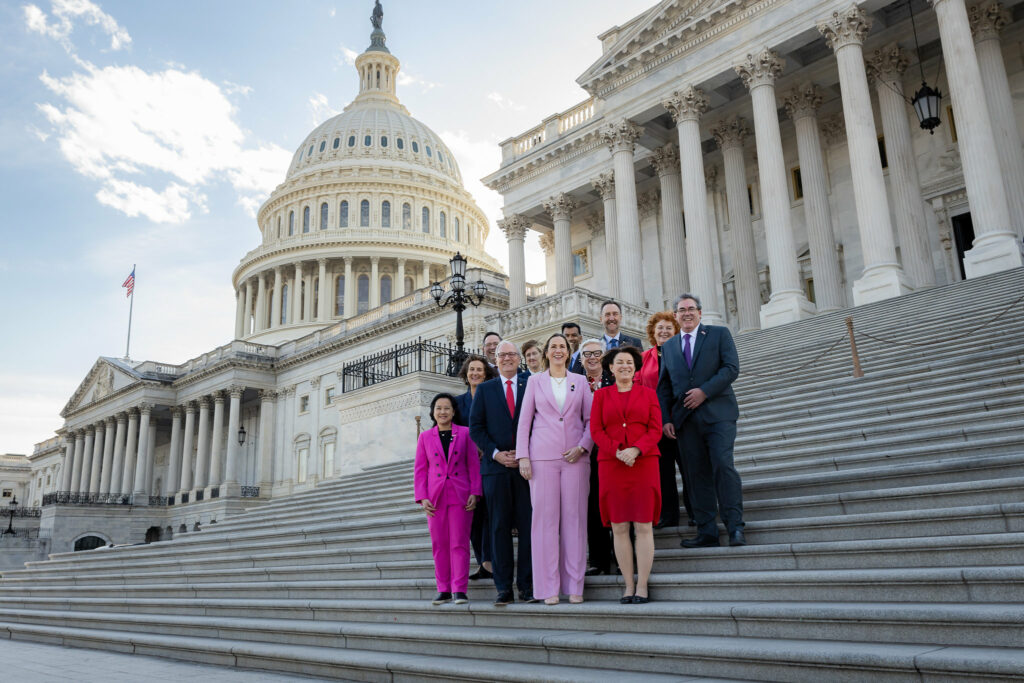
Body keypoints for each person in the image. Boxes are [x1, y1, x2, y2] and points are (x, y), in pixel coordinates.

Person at [657, 293, 745, 548]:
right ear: (675, 316)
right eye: (681, 310)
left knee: (722, 466)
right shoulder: (670, 346)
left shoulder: (719, 334)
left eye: (691, 308)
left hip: (719, 415)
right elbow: (664, 387)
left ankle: (735, 526)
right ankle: (707, 532)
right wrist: (666, 419)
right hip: (685, 421)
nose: (686, 313)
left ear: (699, 312)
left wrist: (704, 391)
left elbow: (731, 368)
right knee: (696, 476)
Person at [516, 333, 594, 605]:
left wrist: (583, 447)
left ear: (569, 352)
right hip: (542, 459)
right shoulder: (535, 382)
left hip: (576, 459)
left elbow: (590, 420)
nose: (558, 350)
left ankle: (575, 586)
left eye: (563, 346)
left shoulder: (580, 381)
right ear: (546, 352)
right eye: (554, 347)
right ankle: (547, 589)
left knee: (574, 522)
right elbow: (524, 421)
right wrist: (523, 456)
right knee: (544, 524)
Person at [590, 346, 662, 603]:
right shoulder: (600, 395)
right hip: (612, 463)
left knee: (643, 525)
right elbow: (596, 431)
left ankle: (642, 585)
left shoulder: (649, 394)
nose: (625, 366)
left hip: (643, 463)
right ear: (610, 367)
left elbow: (655, 430)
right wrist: (617, 451)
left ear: (635, 367)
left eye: (629, 362)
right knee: (619, 526)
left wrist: (636, 449)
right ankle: (628, 585)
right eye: (619, 362)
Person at [469, 340, 535, 605]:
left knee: (529, 529)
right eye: (502, 355)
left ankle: (527, 587)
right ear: (495, 360)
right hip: (495, 470)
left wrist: (524, 453)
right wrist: (496, 453)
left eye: (511, 354)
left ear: (518, 359)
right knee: (498, 529)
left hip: (527, 468)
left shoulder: (532, 384)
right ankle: (503, 588)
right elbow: (476, 428)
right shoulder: (485, 390)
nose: (507, 358)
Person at [414, 393, 481, 605]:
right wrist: (422, 497)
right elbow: (420, 470)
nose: (442, 412)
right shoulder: (425, 437)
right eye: (438, 408)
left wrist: (475, 492)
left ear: (453, 412)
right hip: (435, 497)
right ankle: (443, 588)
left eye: (447, 408)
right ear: (433, 412)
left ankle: (459, 590)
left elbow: (473, 465)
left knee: (459, 544)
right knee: (439, 544)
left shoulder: (465, 433)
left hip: (461, 495)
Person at [637, 312, 694, 529]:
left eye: (669, 328)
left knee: (689, 468)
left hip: (683, 419)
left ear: (676, 331)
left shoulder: (685, 353)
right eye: (659, 328)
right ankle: (668, 514)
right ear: (653, 332)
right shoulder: (644, 358)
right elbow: (638, 388)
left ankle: (695, 511)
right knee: (663, 471)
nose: (664, 332)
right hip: (655, 423)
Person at [455, 355, 496, 581]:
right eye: (471, 370)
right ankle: (482, 561)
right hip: (466, 467)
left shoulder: (493, 398)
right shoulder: (458, 402)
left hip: (489, 461)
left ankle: (490, 562)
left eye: (479, 370)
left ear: (486, 373)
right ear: (466, 373)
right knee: (473, 517)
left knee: (490, 514)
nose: (475, 373)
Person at [578, 338, 614, 577]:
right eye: (587, 354)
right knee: (592, 506)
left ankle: (623, 557)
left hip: (613, 450)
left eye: (596, 353)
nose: (592, 357)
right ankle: (599, 559)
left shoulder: (615, 379)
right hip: (587, 452)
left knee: (618, 504)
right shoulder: (576, 383)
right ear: (581, 359)